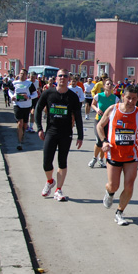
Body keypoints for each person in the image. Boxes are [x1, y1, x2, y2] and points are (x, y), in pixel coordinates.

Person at [96, 85, 138, 225]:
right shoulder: (113, 110)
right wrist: (104, 141)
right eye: (128, 98)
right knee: (113, 186)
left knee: (129, 185)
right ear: (123, 96)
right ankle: (109, 193)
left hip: (131, 156)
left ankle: (120, 212)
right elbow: (99, 126)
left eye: (134, 99)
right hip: (114, 154)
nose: (131, 101)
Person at [35, 69, 84, 202]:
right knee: (46, 162)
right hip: (51, 131)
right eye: (60, 76)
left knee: (62, 161)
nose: (62, 78)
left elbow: (78, 117)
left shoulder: (73, 97)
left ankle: (59, 190)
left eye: (65, 76)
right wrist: (39, 128)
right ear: (56, 79)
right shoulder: (48, 93)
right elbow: (38, 109)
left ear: (69, 79)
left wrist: (80, 135)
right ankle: (50, 181)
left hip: (66, 133)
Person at [89, 78, 119, 168]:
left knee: (105, 141)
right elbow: (93, 104)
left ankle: (101, 159)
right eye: (108, 84)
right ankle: (94, 158)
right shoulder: (99, 96)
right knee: (99, 140)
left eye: (111, 85)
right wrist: (97, 109)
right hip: (99, 120)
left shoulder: (115, 98)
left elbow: (118, 109)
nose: (109, 86)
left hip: (109, 122)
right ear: (104, 86)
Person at [8, 68, 37, 151]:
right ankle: (19, 142)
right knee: (20, 123)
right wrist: (12, 97)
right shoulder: (14, 83)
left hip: (27, 105)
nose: (22, 75)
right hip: (17, 105)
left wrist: (29, 97)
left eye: (23, 74)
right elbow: (10, 91)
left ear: (26, 75)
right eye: (20, 73)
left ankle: (22, 134)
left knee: (24, 124)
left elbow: (35, 94)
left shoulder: (29, 84)